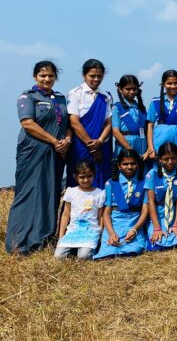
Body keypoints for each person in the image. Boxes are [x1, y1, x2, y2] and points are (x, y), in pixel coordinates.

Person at [6, 61, 72, 255]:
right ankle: (19, 243)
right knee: (28, 193)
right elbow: (28, 124)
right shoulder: (28, 97)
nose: (47, 79)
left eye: (51, 75)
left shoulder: (60, 99)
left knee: (50, 193)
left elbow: (68, 124)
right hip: (33, 151)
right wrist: (54, 141)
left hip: (56, 153)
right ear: (35, 76)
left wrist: (67, 140)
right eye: (43, 75)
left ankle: (43, 239)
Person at [94, 149, 149, 259]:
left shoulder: (144, 183)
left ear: (138, 164)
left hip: (134, 222)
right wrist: (111, 233)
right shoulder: (110, 183)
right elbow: (107, 213)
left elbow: (145, 211)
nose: (129, 167)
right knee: (109, 251)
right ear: (119, 166)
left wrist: (135, 229)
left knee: (133, 250)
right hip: (115, 223)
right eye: (125, 164)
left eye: (133, 163)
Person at [66, 59, 113, 189]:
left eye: (99, 76)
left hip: (101, 145)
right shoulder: (75, 93)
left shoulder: (106, 96)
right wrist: (92, 146)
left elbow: (108, 122)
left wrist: (100, 141)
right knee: (80, 179)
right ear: (84, 75)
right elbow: (74, 122)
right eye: (92, 76)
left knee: (101, 179)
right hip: (80, 145)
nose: (96, 79)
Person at [54, 161, 106, 260]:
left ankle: (85, 249)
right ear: (75, 177)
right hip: (73, 231)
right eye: (82, 177)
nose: (86, 180)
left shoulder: (99, 194)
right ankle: (74, 248)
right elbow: (66, 214)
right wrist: (61, 236)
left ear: (94, 175)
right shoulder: (71, 192)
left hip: (91, 232)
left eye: (89, 176)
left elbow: (101, 217)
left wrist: (100, 236)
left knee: (83, 256)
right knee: (58, 257)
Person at [145, 142, 177, 250]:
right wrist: (157, 228)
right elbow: (150, 201)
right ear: (159, 159)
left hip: (173, 214)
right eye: (165, 159)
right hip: (157, 215)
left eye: (173, 158)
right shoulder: (152, 174)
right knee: (157, 243)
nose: (170, 162)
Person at [146, 69, 177, 162]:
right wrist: (151, 148)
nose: (173, 86)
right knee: (160, 164)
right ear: (163, 84)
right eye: (169, 83)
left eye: (176, 83)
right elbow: (150, 126)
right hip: (160, 138)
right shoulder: (155, 102)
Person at [111, 74, 147, 157]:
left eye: (134, 89)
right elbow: (115, 132)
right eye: (128, 89)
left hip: (142, 147)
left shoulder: (141, 108)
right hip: (125, 148)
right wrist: (130, 150)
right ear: (120, 89)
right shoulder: (117, 108)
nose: (132, 92)